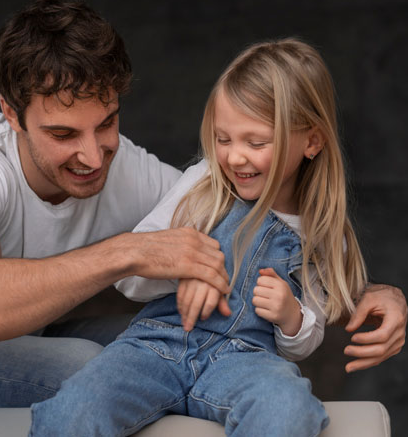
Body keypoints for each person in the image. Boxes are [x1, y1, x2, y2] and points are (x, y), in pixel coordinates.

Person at [0, 0, 407, 408]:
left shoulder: (128, 165)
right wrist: (131, 251)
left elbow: (252, 235)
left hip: (43, 331)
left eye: (105, 125)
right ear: (11, 114)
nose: (92, 156)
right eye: (62, 135)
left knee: (194, 342)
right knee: (97, 367)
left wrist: (372, 293)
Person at [29, 39, 378, 436]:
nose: (234, 157)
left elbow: (306, 339)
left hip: (244, 361)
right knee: (74, 408)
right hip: (158, 344)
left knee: (289, 406)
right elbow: (130, 278)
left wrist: (292, 318)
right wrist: (182, 266)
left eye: (256, 142)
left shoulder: (321, 232)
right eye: (223, 139)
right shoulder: (204, 183)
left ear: (312, 142)